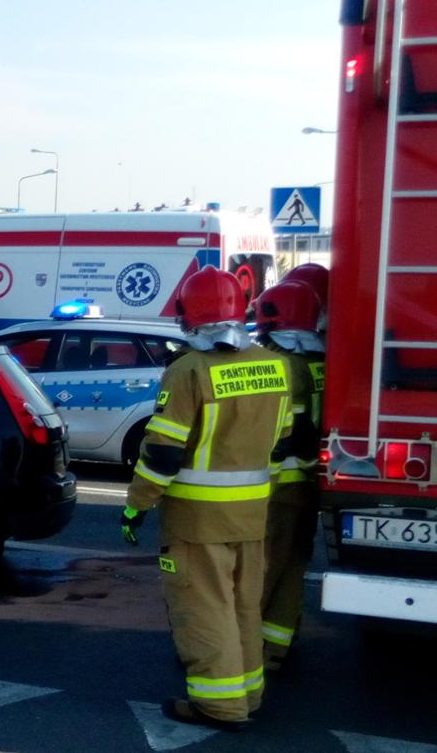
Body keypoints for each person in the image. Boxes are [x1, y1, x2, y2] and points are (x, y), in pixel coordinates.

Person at [120, 266, 291, 731]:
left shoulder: (188, 371)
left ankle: (220, 705)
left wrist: (137, 505)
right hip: (252, 514)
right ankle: (248, 695)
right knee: (243, 607)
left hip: (197, 521)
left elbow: (162, 454)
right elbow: (281, 443)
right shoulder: (273, 365)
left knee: (204, 609)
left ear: (188, 315)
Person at [253, 280, 326, 672]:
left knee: (260, 571)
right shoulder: (322, 360)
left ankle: (243, 652)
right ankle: (277, 646)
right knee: (293, 567)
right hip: (310, 485)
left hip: (277, 485)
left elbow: (273, 431)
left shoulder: (278, 363)